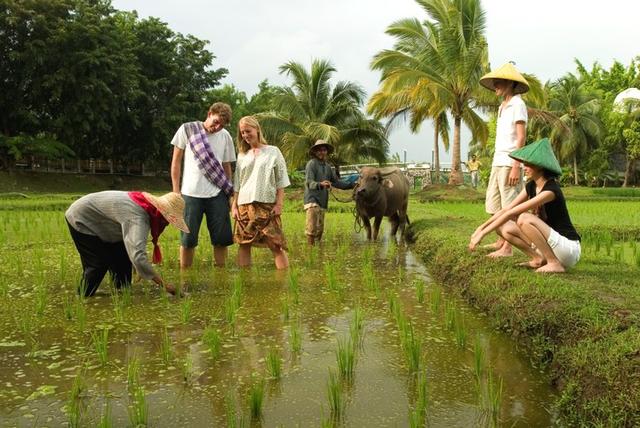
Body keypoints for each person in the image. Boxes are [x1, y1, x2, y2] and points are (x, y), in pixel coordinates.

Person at [468, 138, 580, 273]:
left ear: (539, 166)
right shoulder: (531, 186)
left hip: (567, 248)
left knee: (524, 218)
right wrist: (480, 228)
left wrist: (483, 234)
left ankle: (553, 263)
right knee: (503, 228)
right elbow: (506, 209)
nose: (524, 168)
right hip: (550, 244)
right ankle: (538, 258)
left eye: (527, 164)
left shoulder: (551, 190)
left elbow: (512, 213)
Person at [65, 191, 189, 296]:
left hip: (107, 225)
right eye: (167, 220)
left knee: (122, 263)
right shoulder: (138, 217)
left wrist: (138, 267)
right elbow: (138, 256)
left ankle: (120, 295)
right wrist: (164, 285)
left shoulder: (145, 205)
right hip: (81, 218)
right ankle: (82, 297)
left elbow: (132, 247)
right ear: (161, 214)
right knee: (98, 264)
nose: (166, 224)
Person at [170, 102, 236, 268]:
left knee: (221, 240)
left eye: (221, 125)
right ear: (209, 114)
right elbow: (176, 162)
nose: (217, 127)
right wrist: (176, 191)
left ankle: (222, 275)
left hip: (217, 194)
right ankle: (185, 276)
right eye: (215, 122)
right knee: (188, 240)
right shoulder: (188, 129)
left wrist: (230, 194)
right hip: (190, 194)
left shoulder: (225, 136)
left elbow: (227, 167)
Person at [479, 62, 530, 257]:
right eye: (495, 83)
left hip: (510, 162)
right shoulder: (503, 106)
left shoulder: (518, 104)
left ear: (510, 83)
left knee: (510, 207)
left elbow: (521, 137)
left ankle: (507, 248)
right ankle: (502, 240)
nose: (495, 86)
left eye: (499, 82)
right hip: (498, 161)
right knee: (494, 205)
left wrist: (517, 164)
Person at [231, 116, 290, 269]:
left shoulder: (273, 152)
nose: (245, 135)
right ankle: (245, 283)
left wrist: (279, 203)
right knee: (244, 244)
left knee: (276, 244)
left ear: (257, 130)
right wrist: (234, 206)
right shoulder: (242, 155)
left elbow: (281, 180)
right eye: (242, 132)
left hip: (267, 205)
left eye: (248, 131)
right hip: (244, 204)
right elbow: (237, 182)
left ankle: (284, 280)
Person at [304, 140, 356, 245]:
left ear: (326, 151)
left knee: (320, 228)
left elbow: (336, 182)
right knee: (311, 227)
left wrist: (351, 185)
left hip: (323, 200)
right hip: (312, 199)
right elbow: (309, 182)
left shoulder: (328, 167)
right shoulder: (311, 164)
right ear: (315, 152)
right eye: (319, 150)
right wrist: (321, 184)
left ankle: (317, 251)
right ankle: (310, 251)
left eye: (323, 150)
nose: (321, 152)